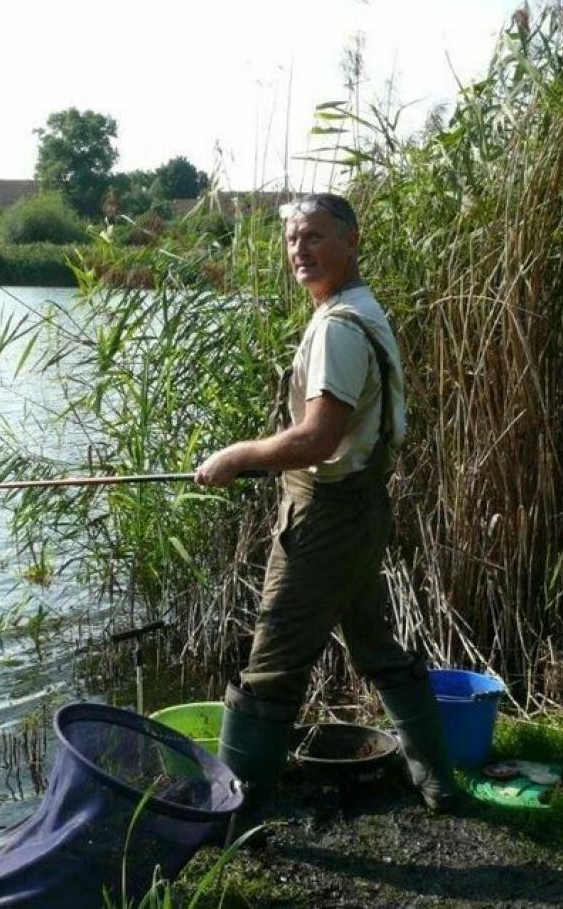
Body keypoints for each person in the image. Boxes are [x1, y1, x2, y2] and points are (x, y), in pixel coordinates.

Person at [195, 192, 457, 826]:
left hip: (326, 516)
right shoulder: (359, 310)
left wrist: (236, 456)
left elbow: (318, 439)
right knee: (376, 647)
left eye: (315, 236)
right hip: (362, 507)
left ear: (351, 240)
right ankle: (439, 786)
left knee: (271, 668)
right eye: (292, 240)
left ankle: (235, 817)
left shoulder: (340, 326)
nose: (300, 250)